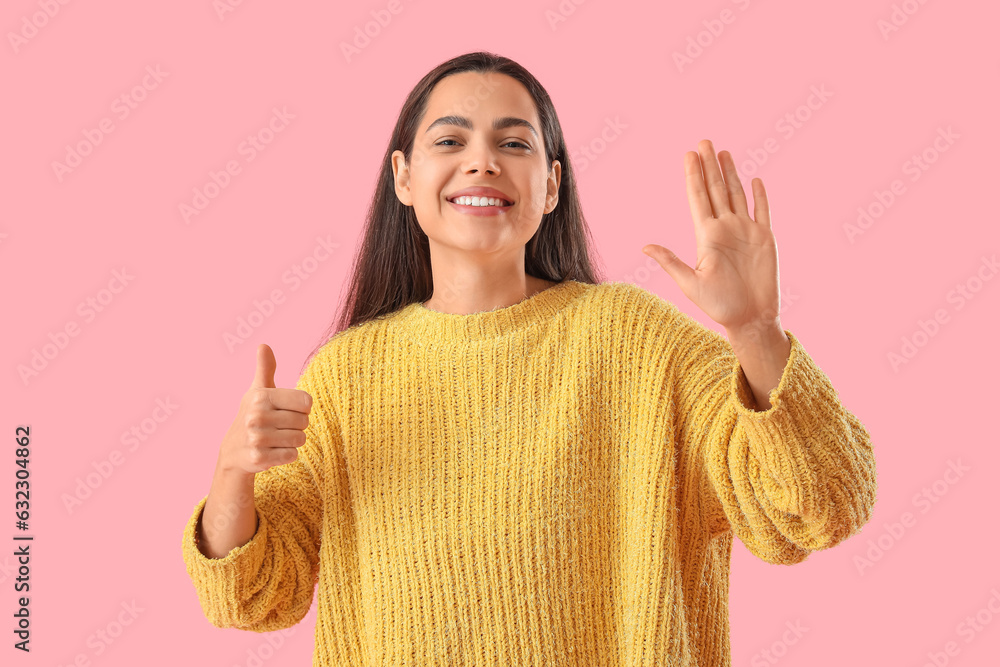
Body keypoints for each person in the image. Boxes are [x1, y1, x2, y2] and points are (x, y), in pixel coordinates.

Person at [180, 51, 878, 666]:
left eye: (513, 142)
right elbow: (249, 595)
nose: (482, 160)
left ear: (550, 185)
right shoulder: (344, 375)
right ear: (403, 176)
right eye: (450, 138)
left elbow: (823, 504)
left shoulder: (639, 344)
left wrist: (756, 329)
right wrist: (232, 472)